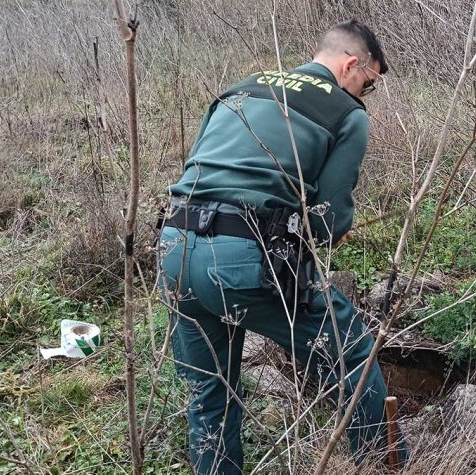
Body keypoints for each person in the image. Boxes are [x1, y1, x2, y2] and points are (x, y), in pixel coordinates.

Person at [157, 19, 404, 474]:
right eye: (367, 84)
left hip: (174, 247)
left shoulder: (241, 87)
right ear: (351, 65)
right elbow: (328, 220)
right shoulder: (345, 113)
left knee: (210, 392)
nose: (364, 95)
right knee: (353, 354)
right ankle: (383, 466)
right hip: (240, 261)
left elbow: (204, 170)